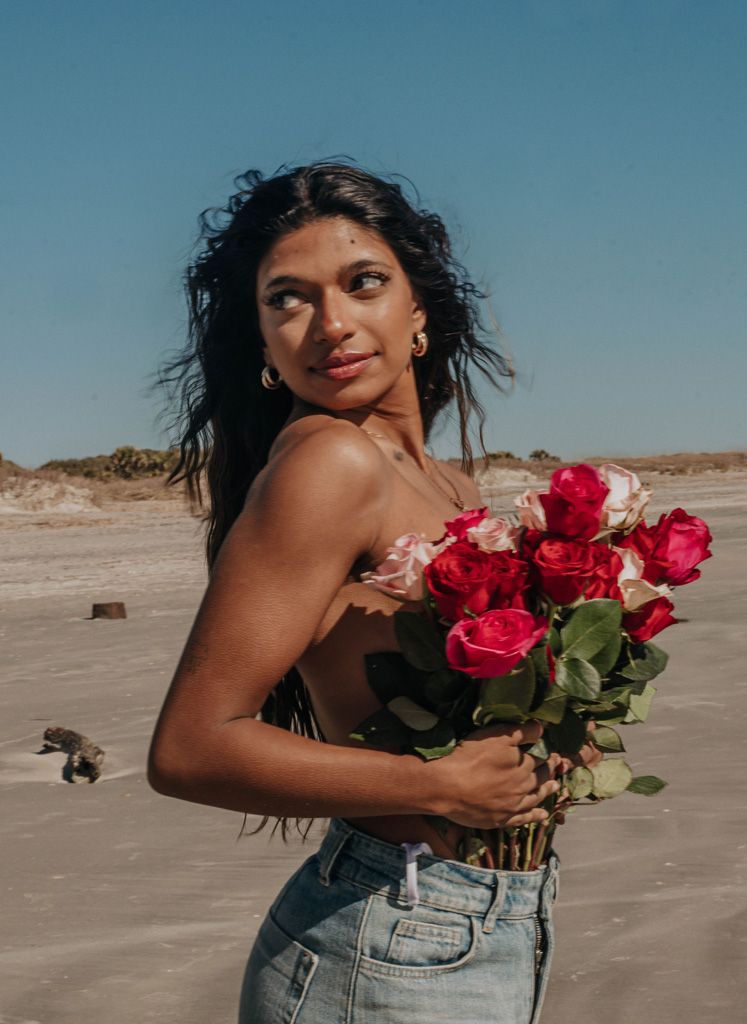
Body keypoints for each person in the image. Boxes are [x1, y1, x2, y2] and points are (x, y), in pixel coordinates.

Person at [148, 162, 599, 1023]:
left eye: (363, 283)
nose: (331, 324)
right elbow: (190, 749)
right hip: (388, 940)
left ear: (417, 307)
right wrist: (439, 788)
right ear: (263, 340)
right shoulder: (330, 463)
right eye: (287, 298)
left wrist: (547, 736)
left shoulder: (452, 488)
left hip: (484, 921)